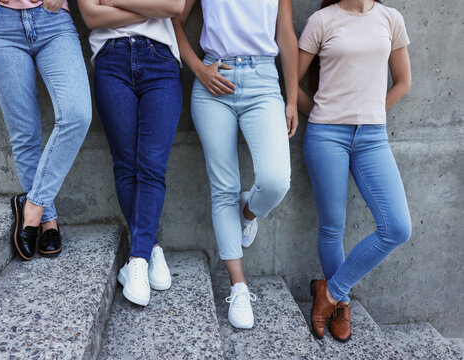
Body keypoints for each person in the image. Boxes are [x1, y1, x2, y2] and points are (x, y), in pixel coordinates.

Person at [173, 0, 298, 328]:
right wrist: (199, 70)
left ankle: (247, 211)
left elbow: (285, 34)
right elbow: (173, 22)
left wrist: (293, 99)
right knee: (223, 188)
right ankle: (238, 286)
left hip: (263, 81)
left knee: (276, 181)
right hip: (215, 78)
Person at [298, 0, 412, 342]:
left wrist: (371, 114)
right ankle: (341, 305)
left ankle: (329, 293)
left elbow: (403, 81)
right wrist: (316, 113)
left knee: (397, 227)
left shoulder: (391, 19)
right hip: (325, 135)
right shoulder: (321, 20)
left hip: (373, 137)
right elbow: (292, 82)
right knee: (332, 226)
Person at [77, 0, 185, 306]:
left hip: (160, 60)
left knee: (151, 165)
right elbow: (90, 15)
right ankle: (151, 249)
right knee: (126, 164)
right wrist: (152, 9)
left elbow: (175, 6)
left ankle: (136, 260)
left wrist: (112, 1)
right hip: (111, 60)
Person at [0, 0, 92, 260]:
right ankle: (48, 222)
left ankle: (33, 205)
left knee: (77, 115)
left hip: (53, 21)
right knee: (24, 133)